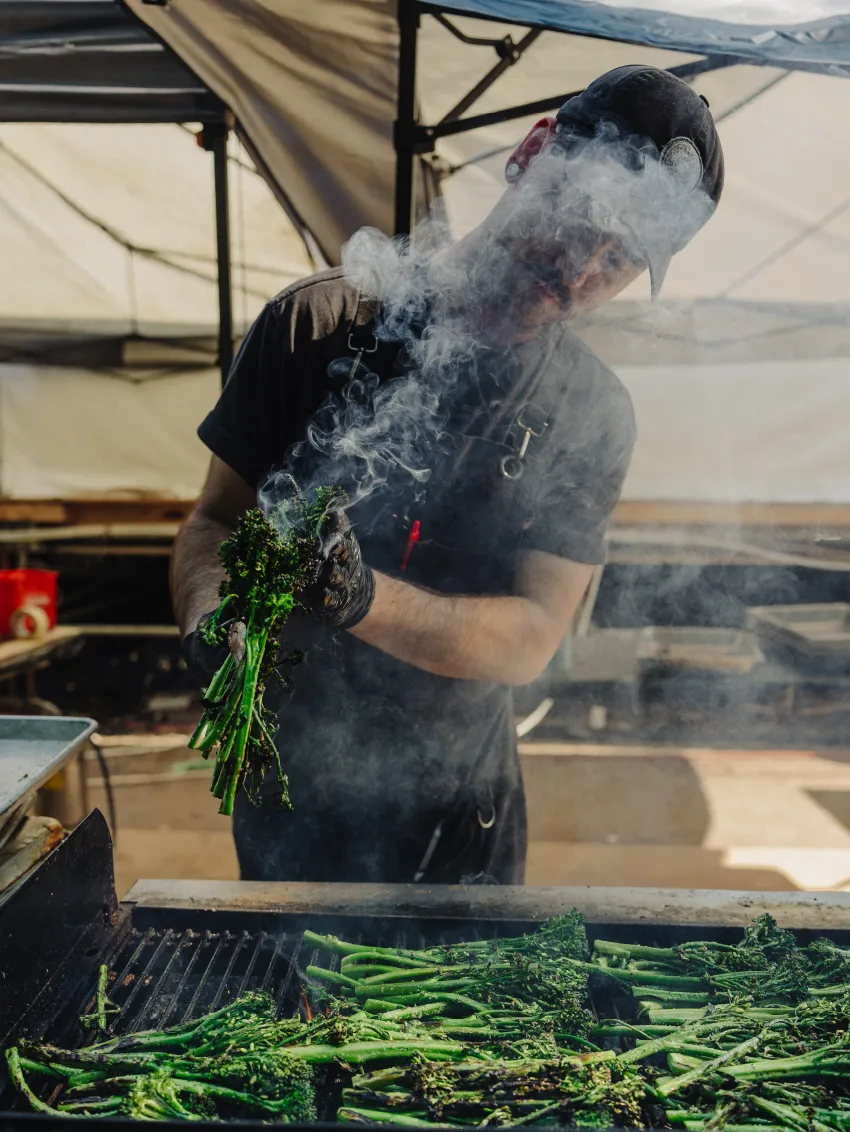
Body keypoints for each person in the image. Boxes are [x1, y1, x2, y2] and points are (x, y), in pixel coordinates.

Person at [172, 64, 724, 886]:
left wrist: (363, 599)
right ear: (532, 152)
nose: (581, 275)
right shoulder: (317, 323)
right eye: (582, 223)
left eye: (619, 261)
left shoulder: (591, 414)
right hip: (292, 797)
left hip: (464, 818)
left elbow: (535, 634)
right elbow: (216, 522)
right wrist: (210, 621)